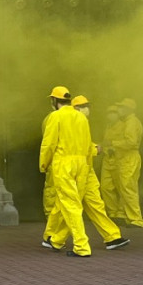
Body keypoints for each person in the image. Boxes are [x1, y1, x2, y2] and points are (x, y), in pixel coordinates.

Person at [49, 96, 129, 253]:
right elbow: (70, 145)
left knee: (88, 205)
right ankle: (57, 238)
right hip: (76, 169)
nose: (87, 109)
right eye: (83, 106)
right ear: (75, 108)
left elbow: (82, 143)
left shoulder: (80, 121)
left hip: (84, 171)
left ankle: (111, 236)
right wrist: (94, 149)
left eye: (87, 105)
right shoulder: (66, 119)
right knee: (70, 206)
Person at [39, 91, 95, 256]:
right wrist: (88, 165)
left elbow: (48, 144)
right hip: (82, 164)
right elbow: (88, 144)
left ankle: (82, 246)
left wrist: (44, 164)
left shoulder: (55, 116)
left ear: (54, 101)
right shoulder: (81, 117)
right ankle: (57, 241)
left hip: (63, 164)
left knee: (71, 205)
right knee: (69, 204)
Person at [105, 98, 143, 227]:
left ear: (128, 110)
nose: (119, 110)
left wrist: (113, 144)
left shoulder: (131, 122)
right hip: (126, 158)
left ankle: (136, 219)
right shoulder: (129, 122)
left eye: (121, 108)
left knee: (128, 189)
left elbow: (131, 142)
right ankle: (127, 216)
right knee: (125, 188)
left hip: (129, 158)